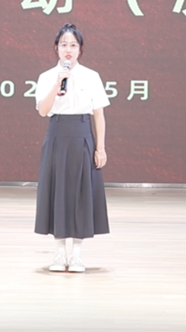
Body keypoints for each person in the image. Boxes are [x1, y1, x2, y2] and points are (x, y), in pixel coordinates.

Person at [33, 23, 110, 273]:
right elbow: (43, 110)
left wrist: (100, 148)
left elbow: (99, 115)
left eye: (73, 45)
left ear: (80, 49)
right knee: (57, 193)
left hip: (82, 136)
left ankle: (76, 255)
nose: (68, 49)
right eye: (64, 44)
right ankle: (59, 255)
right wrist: (58, 84)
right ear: (56, 48)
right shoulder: (47, 77)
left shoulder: (91, 76)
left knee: (80, 194)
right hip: (57, 136)